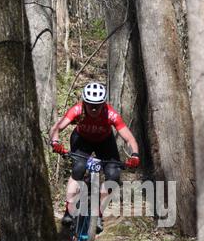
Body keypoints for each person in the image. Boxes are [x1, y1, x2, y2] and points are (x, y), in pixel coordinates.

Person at [49, 81, 140, 232]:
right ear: (84, 102)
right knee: (78, 168)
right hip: (82, 141)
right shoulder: (77, 110)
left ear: (103, 104)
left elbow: (129, 138)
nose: (93, 109)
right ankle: (69, 209)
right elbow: (57, 127)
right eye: (90, 104)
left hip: (105, 142)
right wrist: (55, 142)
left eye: (97, 105)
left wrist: (135, 155)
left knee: (113, 175)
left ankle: (97, 213)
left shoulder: (111, 114)